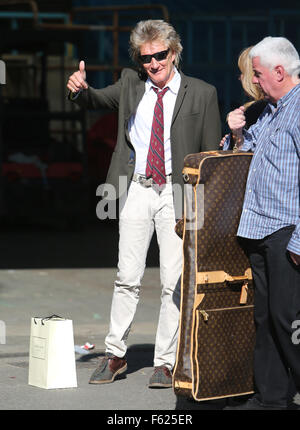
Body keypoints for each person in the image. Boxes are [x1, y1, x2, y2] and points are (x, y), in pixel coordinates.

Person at [67, 19, 221, 388]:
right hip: (135, 187)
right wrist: (78, 89)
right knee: (127, 277)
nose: (153, 64)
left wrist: (207, 208)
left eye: (160, 55)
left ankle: (164, 363)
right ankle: (115, 354)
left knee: (173, 281)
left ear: (174, 51)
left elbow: (212, 156)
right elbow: (95, 99)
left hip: (177, 192)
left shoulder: (203, 93)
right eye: (146, 57)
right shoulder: (132, 84)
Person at [224, 36, 300, 410]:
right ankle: (271, 398)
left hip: (287, 231)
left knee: (288, 321)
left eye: (258, 74)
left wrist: (299, 241)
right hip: (259, 228)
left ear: (279, 72)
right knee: (266, 316)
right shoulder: (268, 110)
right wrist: (237, 133)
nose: (253, 81)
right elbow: (236, 158)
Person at [220, 46, 266, 150]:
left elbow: (243, 156)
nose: (240, 77)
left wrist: (236, 138)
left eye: (242, 72)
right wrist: (233, 139)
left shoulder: (255, 111)